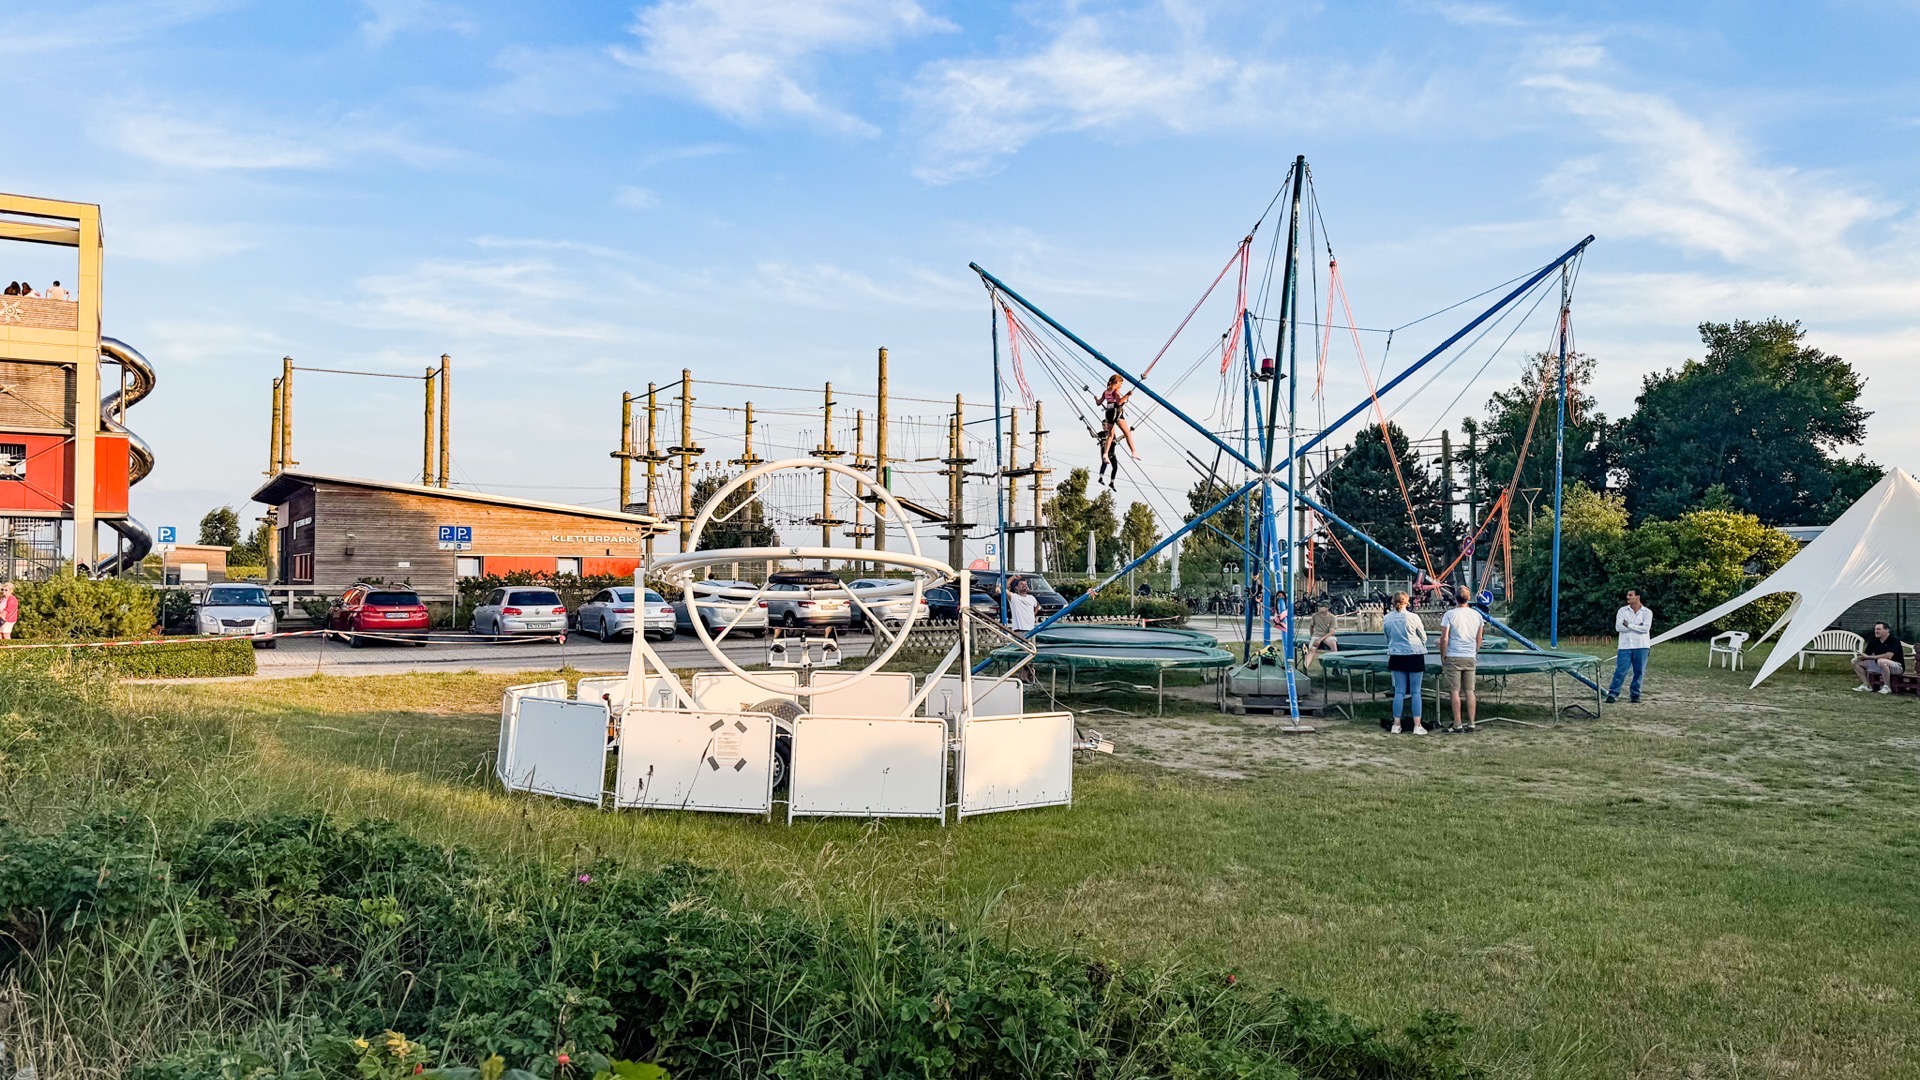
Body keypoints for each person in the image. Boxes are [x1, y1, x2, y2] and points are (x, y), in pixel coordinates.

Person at [1437, 587, 1485, 732]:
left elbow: (1444, 638)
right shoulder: (1477, 616)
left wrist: (1443, 655)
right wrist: (1474, 651)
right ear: (1468, 598)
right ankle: (1471, 723)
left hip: (1454, 655)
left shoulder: (1450, 614)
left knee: (1454, 691)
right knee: (1470, 690)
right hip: (1469, 656)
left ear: (1455, 598)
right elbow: (1479, 638)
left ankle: (1457, 723)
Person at [1382, 591, 1428, 734]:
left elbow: (1387, 637)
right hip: (1414, 654)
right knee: (1416, 692)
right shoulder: (1414, 617)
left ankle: (1396, 724)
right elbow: (1423, 636)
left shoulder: (1387, 618)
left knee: (1399, 691)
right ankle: (1417, 725)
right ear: (1407, 602)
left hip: (1396, 654)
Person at [1605, 589, 1654, 704]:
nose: (1627, 597)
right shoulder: (1622, 611)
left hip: (1641, 646)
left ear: (1638, 597)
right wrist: (1637, 626)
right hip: (1625, 646)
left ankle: (1635, 694)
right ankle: (1613, 693)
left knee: (1639, 671)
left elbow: (1645, 629)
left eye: (1630, 595)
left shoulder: (1647, 612)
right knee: (1620, 671)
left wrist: (1629, 625)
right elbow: (1619, 627)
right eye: (1628, 595)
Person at [1851, 622, 1905, 693]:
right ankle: (1866, 685)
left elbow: (1888, 656)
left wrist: (1868, 657)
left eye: (1879, 629)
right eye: (1875, 629)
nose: (1876, 631)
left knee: (1882, 661)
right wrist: (1861, 656)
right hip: (1879, 665)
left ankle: (1887, 687)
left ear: (1887, 630)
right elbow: (1867, 654)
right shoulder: (1874, 640)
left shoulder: (1894, 640)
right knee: (1855, 661)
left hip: (1897, 666)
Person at [1097, 374, 1139, 464]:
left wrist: (1096, 399)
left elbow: (1099, 402)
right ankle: (1134, 452)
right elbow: (1119, 402)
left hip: (1108, 413)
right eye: (1121, 383)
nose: (1121, 385)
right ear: (1117, 382)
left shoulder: (1105, 392)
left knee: (1110, 435)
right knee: (1127, 433)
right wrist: (1127, 395)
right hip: (1116, 412)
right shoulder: (1116, 391)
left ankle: (1105, 454)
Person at [1302, 602, 1339, 670]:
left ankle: (1335, 667)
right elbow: (1311, 626)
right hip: (1317, 635)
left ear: (1326, 608)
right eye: (1318, 606)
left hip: (1327, 636)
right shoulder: (1315, 616)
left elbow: (1331, 632)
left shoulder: (1332, 617)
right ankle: (1305, 667)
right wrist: (1312, 636)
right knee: (1311, 650)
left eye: (1321, 607)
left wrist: (1320, 640)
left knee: (1333, 644)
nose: (1318, 608)